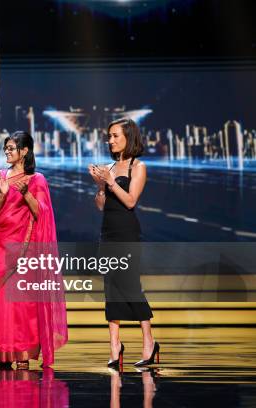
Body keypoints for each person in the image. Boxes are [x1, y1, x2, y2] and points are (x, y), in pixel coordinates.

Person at [0, 131, 68, 370]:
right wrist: (5, 193)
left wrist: (25, 193)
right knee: (0, 300)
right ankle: (0, 352)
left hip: (25, 246)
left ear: (25, 151)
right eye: (5, 148)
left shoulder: (36, 179)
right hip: (0, 244)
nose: (7, 152)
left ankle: (22, 352)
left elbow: (42, 213)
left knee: (22, 303)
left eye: (11, 148)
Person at [88, 118, 159, 368]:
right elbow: (101, 206)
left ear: (129, 137)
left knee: (130, 287)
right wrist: (100, 186)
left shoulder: (137, 167)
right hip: (107, 234)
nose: (111, 140)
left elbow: (130, 202)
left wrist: (109, 182)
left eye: (116, 135)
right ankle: (115, 346)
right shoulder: (109, 167)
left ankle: (149, 342)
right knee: (111, 290)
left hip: (127, 234)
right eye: (109, 136)